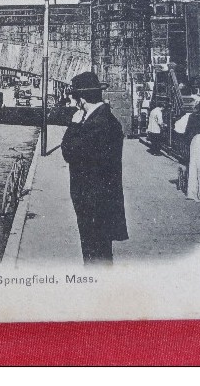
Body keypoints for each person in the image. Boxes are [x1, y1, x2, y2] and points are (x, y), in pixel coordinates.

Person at [61, 71, 129, 265]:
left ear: (82, 100)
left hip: (93, 200)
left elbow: (69, 152)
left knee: (95, 253)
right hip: (99, 199)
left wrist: (73, 125)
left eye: (76, 99)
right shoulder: (103, 119)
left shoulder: (98, 124)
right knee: (99, 252)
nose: (75, 103)